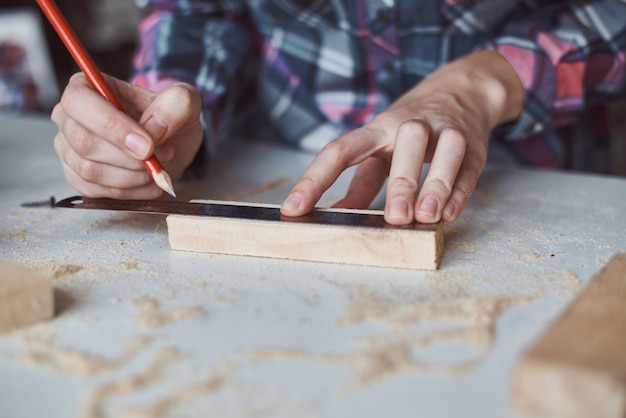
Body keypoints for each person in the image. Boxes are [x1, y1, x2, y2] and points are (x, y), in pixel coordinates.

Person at [50, 0, 626, 226]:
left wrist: (481, 84)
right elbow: (200, 12)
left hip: (541, 189)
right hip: (264, 170)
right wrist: (168, 120)